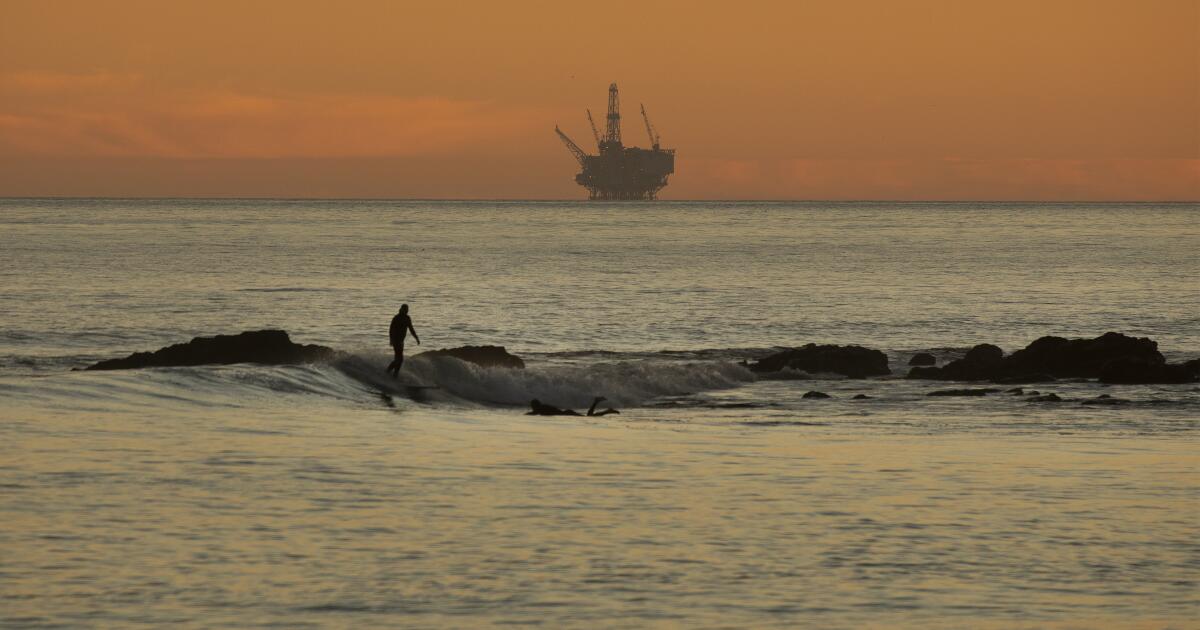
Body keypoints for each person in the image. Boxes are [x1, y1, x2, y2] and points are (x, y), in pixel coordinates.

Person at [386, 304, 420, 377]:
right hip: (396, 340)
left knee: (399, 360)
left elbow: (411, 329)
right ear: (402, 309)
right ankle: (390, 372)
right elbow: (391, 329)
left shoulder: (407, 318)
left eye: (407, 309)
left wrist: (416, 338)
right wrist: (391, 339)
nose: (407, 311)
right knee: (399, 359)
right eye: (405, 309)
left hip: (401, 341)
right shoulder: (396, 318)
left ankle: (392, 374)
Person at [527, 396, 619, 417]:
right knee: (589, 416)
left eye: (532, 406)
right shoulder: (543, 407)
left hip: (567, 414)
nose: (532, 408)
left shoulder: (540, 409)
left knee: (589, 417)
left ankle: (598, 404)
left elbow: (534, 413)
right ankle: (606, 410)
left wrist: (526, 414)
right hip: (567, 412)